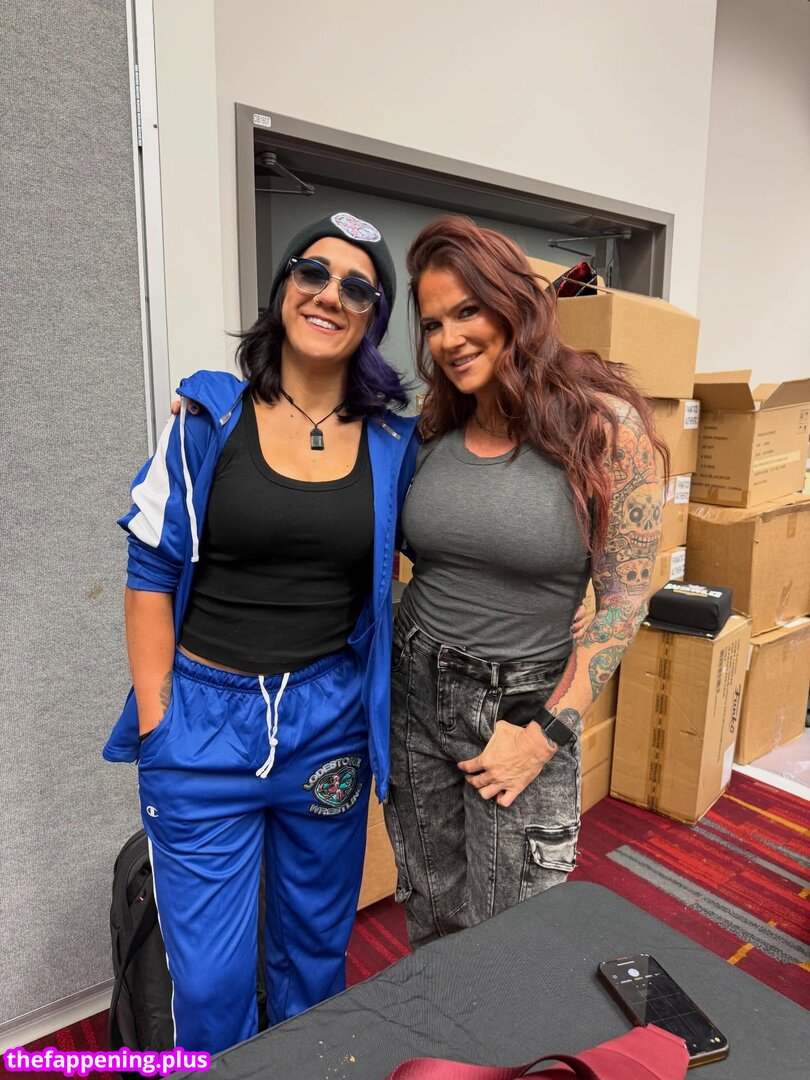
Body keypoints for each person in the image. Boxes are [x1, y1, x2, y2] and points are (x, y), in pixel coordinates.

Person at [103, 212, 419, 1053]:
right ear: (283, 286)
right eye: (312, 272)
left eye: (358, 287)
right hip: (202, 724)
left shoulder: (395, 443)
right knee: (208, 981)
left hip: (328, 725)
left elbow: (453, 536)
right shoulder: (208, 418)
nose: (330, 295)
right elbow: (148, 573)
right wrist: (158, 721)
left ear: (374, 317)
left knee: (314, 956)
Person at [384, 215, 666, 948]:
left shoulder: (605, 429)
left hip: (523, 704)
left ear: (514, 304)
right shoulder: (432, 429)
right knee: (431, 912)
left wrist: (544, 737)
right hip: (414, 690)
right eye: (433, 323)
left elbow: (624, 603)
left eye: (467, 311)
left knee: (517, 937)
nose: (449, 339)